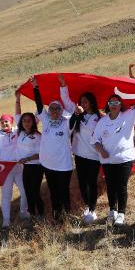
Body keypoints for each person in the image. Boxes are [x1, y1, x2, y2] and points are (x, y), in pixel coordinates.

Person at [91, 88, 135, 226]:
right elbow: (95, 140)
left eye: (116, 102)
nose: (113, 104)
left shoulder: (128, 115)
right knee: (111, 185)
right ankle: (112, 211)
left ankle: (121, 213)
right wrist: (101, 150)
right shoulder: (102, 121)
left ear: (120, 104)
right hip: (107, 160)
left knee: (121, 185)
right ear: (108, 105)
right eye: (111, 102)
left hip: (124, 158)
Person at [58, 73, 102, 224]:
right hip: (79, 154)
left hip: (94, 156)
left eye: (86, 101)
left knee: (92, 182)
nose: (83, 104)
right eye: (81, 101)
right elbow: (66, 100)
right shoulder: (75, 112)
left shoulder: (99, 117)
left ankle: (93, 209)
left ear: (91, 103)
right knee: (82, 183)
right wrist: (63, 84)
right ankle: (88, 207)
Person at [32, 77, 74, 223]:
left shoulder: (67, 122)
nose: (54, 110)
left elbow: (74, 113)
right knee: (53, 193)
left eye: (57, 108)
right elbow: (38, 105)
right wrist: (36, 88)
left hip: (64, 166)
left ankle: (67, 216)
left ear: (62, 111)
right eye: (52, 108)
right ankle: (57, 217)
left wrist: (64, 86)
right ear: (48, 110)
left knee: (63, 192)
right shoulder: (46, 120)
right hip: (48, 165)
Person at [14, 87, 44, 223]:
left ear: (33, 122)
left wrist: (27, 159)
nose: (26, 122)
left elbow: (41, 153)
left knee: (35, 191)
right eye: (24, 120)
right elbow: (17, 113)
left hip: (36, 167)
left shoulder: (38, 136)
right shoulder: (20, 133)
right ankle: (32, 214)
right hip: (26, 167)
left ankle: (41, 215)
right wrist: (17, 99)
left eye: (29, 120)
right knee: (27, 191)